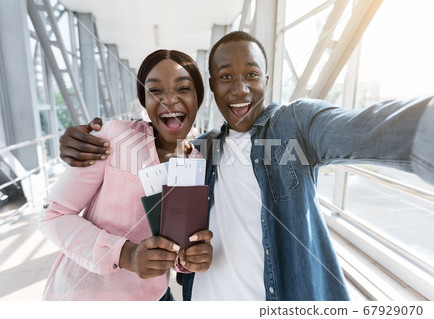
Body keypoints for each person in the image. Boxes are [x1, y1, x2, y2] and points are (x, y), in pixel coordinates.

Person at [58, 31, 434, 301]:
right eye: (226, 78)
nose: (239, 89)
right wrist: (78, 140)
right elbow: (177, 239)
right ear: (212, 87)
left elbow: (361, 129)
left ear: (267, 80)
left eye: (251, 75)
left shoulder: (295, 126)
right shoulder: (200, 153)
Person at [39, 49, 213, 300]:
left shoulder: (196, 163)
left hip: (152, 297)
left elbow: (175, 247)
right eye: (155, 91)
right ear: (143, 101)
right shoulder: (113, 138)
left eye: (183, 88)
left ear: (199, 98)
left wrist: (189, 259)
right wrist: (125, 254)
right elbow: (52, 215)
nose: (169, 100)